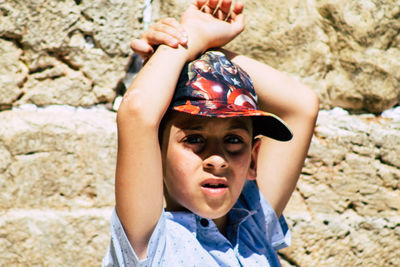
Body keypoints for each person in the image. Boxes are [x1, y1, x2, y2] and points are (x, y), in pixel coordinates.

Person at [103, 0, 319, 266]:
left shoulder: (252, 226)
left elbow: (301, 106)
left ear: (253, 160)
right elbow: (137, 113)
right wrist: (187, 41)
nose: (217, 159)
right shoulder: (151, 244)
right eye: (194, 139)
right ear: (155, 155)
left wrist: (201, 49)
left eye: (233, 140)